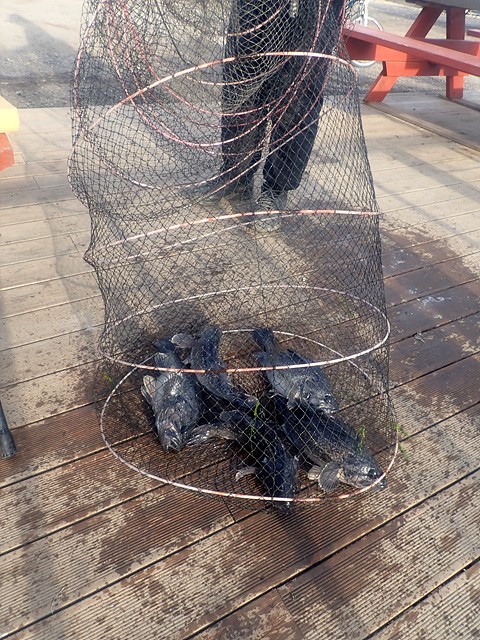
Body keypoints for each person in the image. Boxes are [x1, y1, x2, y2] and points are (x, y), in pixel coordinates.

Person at [198, 0, 346, 215]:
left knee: (296, 95)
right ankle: (236, 178)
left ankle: (276, 190)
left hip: (314, 8)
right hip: (256, 5)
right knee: (243, 83)